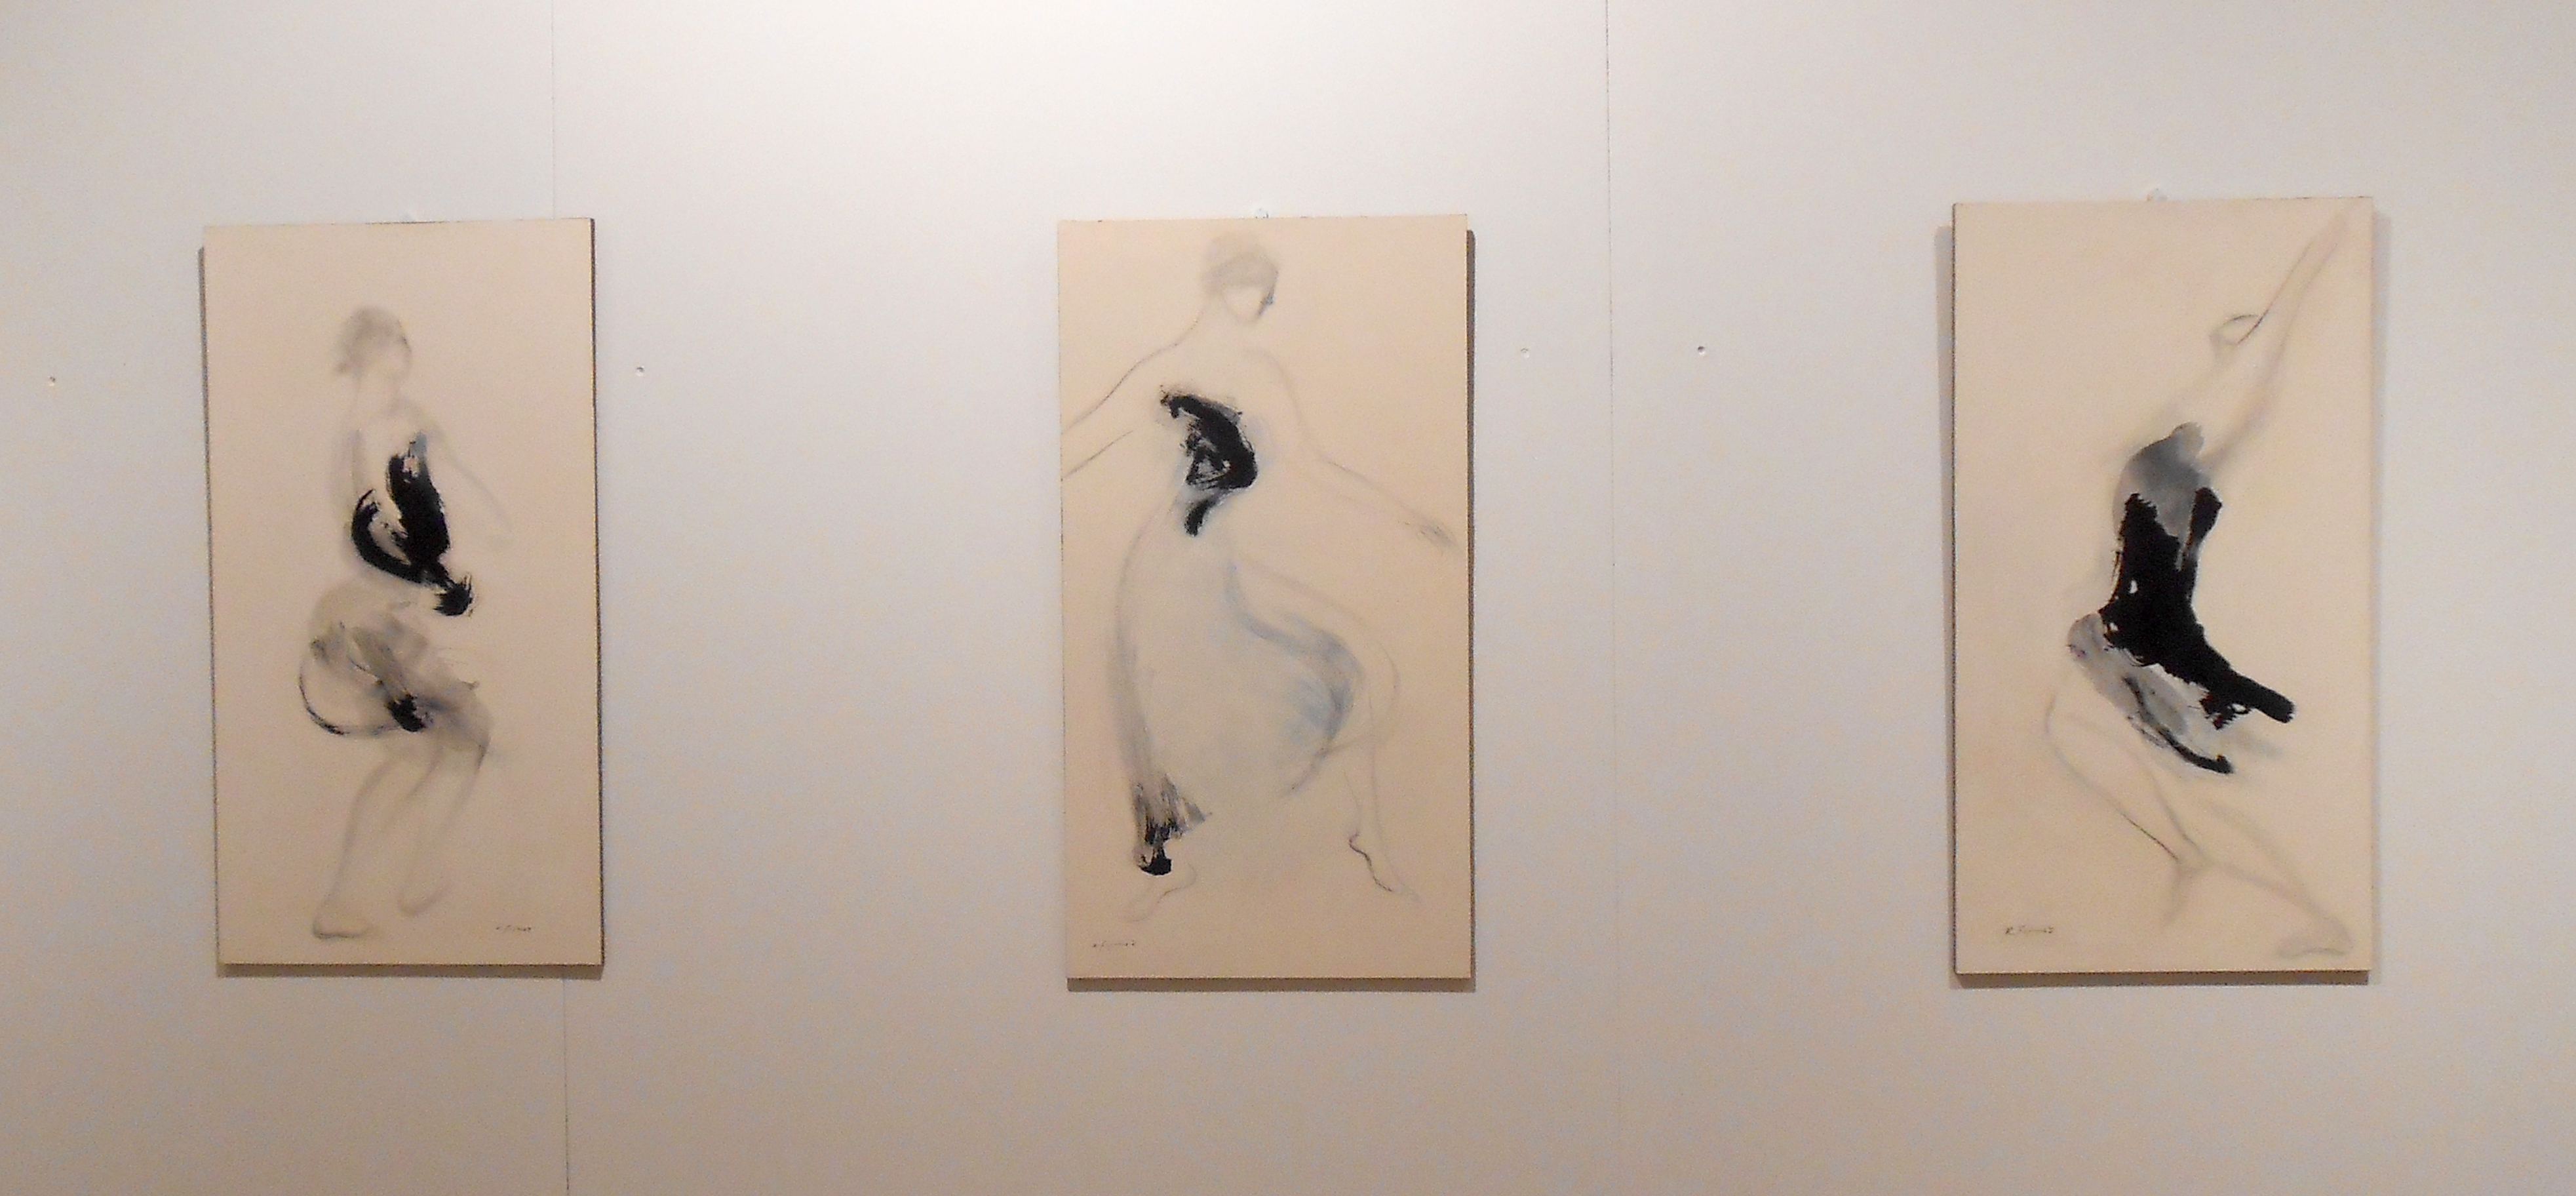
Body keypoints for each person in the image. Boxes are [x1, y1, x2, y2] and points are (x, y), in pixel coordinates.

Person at [1063, 235, 1453, 917]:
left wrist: (1407, 515)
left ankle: (1363, 835)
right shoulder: (1163, 371)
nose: (1255, 303)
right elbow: (1073, 446)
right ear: (1220, 288)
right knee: (1159, 702)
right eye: (1248, 288)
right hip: (1165, 571)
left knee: (1346, 663)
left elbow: (1314, 466)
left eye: (1263, 293)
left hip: (1212, 566)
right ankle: (1163, 848)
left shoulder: (1260, 375)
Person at [2045, 214, 2354, 959]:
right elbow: (2156, 614)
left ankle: (2222, 863)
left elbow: (2165, 614)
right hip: (2131, 652)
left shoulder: (2174, 465)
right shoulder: (2162, 459)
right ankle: (2208, 857)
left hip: (2143, 653)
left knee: (2212, 778)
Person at [297, 309, 492, 939]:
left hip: (383, 621)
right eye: (391, 341)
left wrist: (439, 584)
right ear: (367, 354)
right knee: (443, 742)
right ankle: (378, 886)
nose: (403, 349)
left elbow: (441, 512)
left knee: (448, 742)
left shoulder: (408, 425)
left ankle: (397, 879)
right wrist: (428, 588)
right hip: (365, 628)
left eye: (403, 340)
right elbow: (372, 545)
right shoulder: (362, 439)